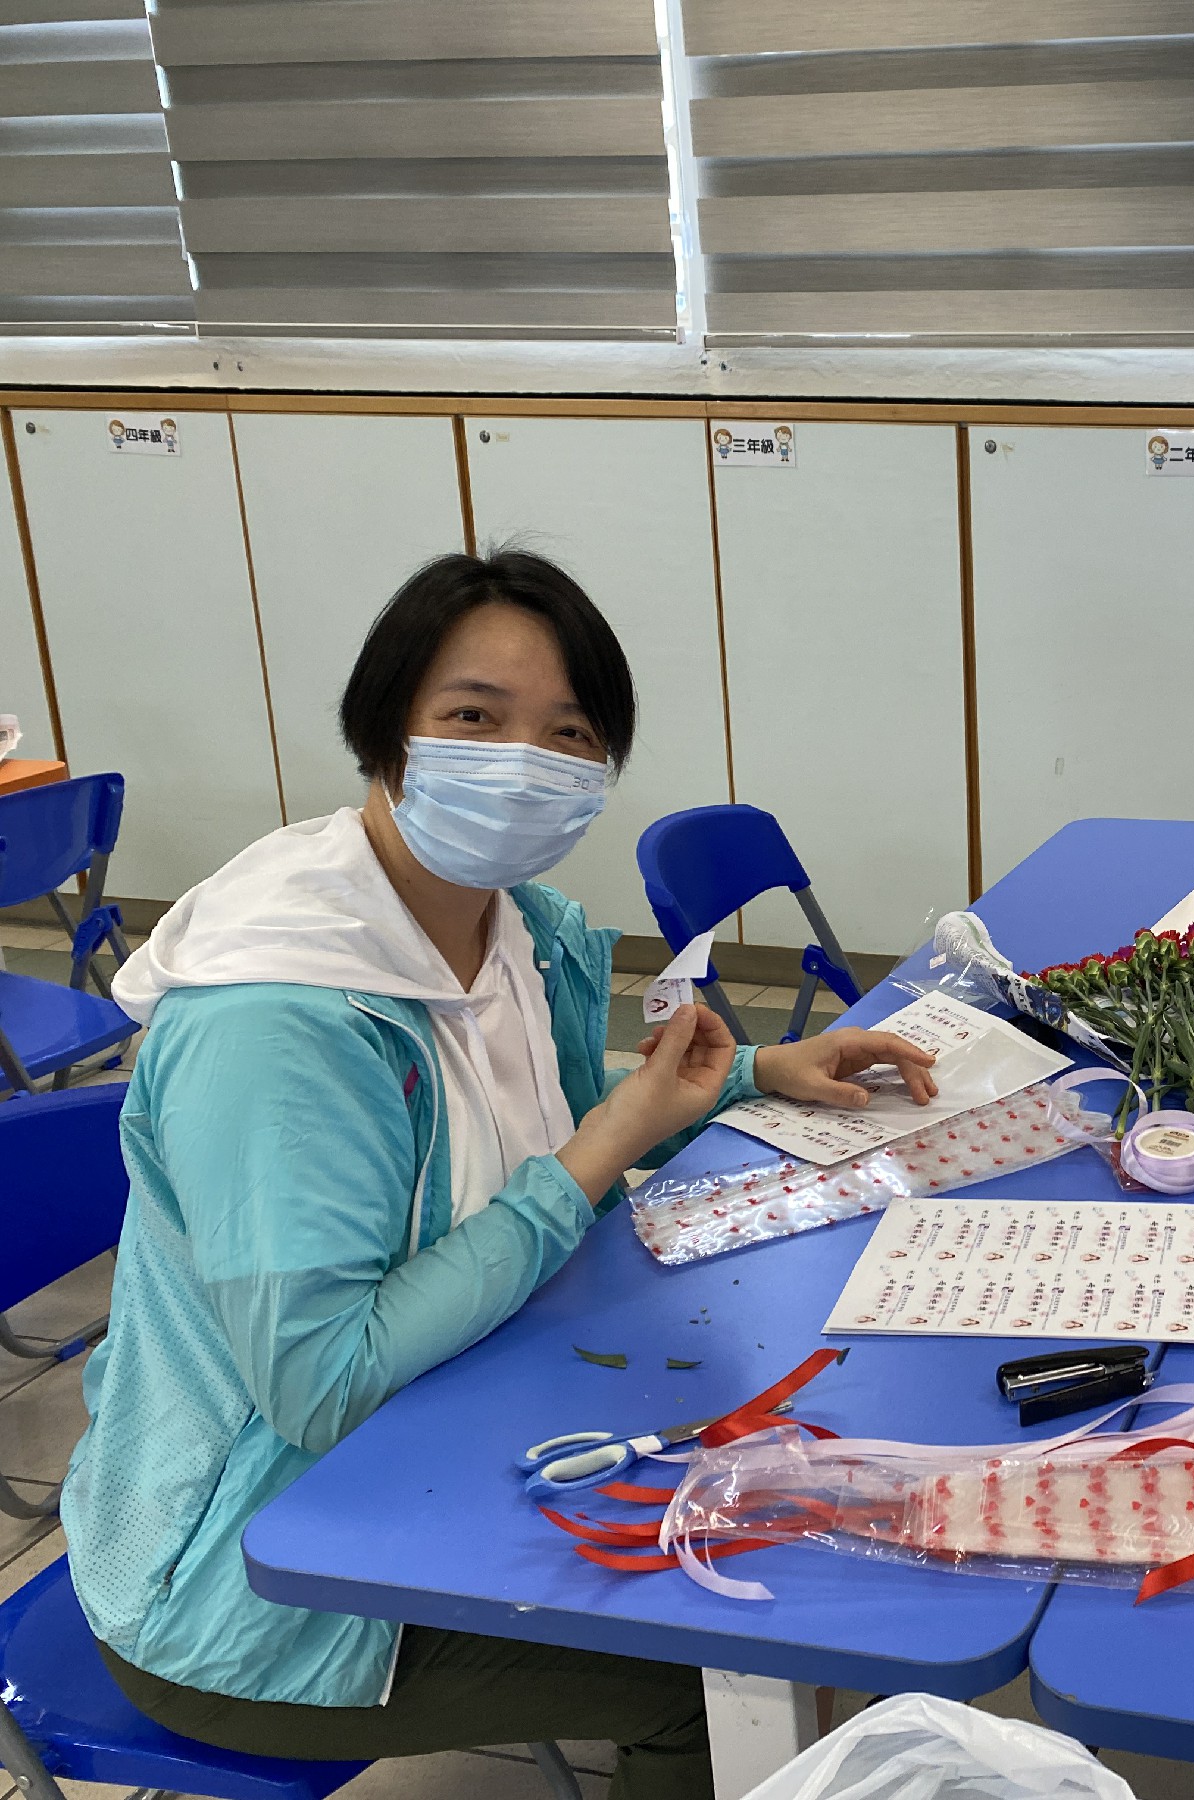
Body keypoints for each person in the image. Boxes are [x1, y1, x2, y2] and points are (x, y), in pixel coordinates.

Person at [63, 550, 939, 1800]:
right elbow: (322, 1386)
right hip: (245, 1573)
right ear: (387, 731)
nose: (525, 763)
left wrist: (752, 1073)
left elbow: (573, 1119)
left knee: (802, 1512)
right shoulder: (278, 1023)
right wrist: (599, 1150)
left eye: (569, 734)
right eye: (475, 717)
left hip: (460, 1411)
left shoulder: (519, 932)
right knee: (722, 1678)